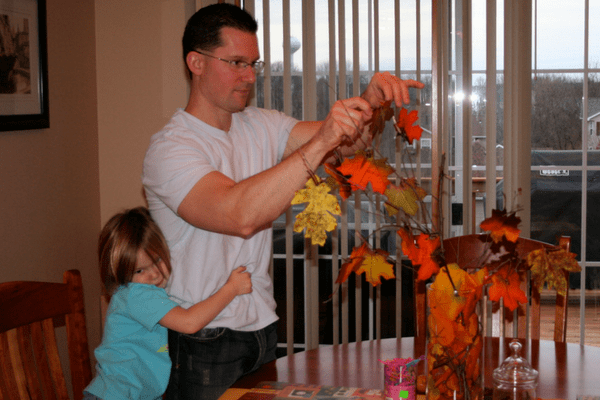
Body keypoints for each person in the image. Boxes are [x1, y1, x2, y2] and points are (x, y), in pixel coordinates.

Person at [142, 3, 425, 399]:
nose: (249, 76)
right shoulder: (170, 149)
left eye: (253, 63)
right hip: (202, 338)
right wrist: (324, 140)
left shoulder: (260, 123)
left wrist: (370, 101)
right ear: (196, 62)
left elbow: (350, 143)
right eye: (236, 62)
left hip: (261, 327)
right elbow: (238, 214)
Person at [83, 207, 252, 400]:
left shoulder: (144, 293)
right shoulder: (137, 295)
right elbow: (189, 323)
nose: (154, 274)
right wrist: (231, 289)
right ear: (120, 273)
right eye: (139, 271)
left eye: (158, 260)